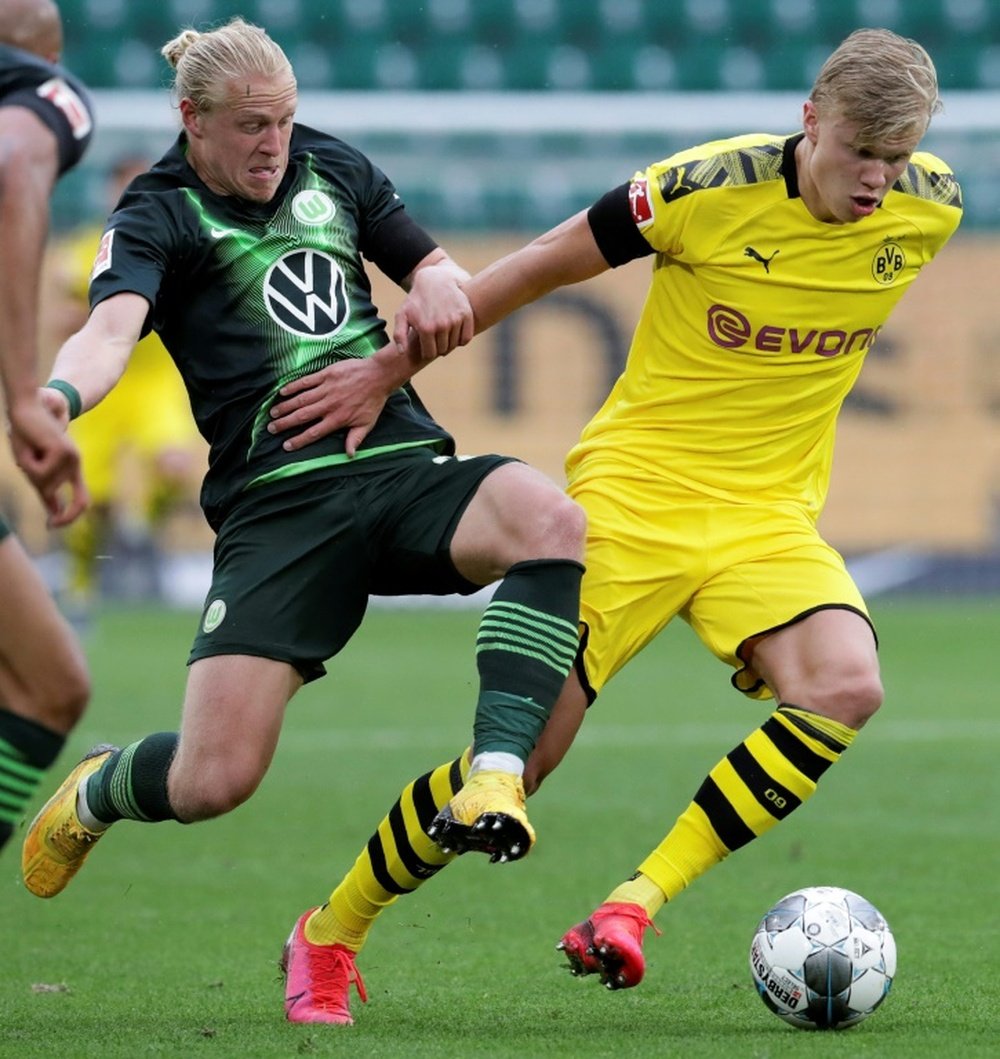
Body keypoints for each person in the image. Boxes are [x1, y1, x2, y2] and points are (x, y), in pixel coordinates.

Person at [258, 27, 963, 1021]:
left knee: (846, 684)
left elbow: (898, 193)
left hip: (766, 518)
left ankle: (632, 904)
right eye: (860, 154)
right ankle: (331, 929)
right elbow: (542, 264)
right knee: (519, 764)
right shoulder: (701, 188)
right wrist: (390, 367)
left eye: (896, 160)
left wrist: (895, 174)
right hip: (633, 500)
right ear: (811, 120)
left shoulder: (931, 210)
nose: (877, 182)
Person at [19, 15, 586, 1022]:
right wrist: (53, 406)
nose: (272, 143)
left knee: (549, 519)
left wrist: (440, 290)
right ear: (189, 118)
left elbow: (435, 267)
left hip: (399, 462)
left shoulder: (332, 167)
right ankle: (106, 788)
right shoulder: (157, 212)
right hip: (277, 512)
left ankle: (495, 772)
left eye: (281, 121)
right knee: (211, 782)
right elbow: (109, 335)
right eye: (248, 126)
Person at [0, 0, 94, 855]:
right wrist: (24, 395)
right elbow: (14, 163)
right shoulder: (41, 88)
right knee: (47, 683)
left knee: (44, 680)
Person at [45, 154, 206, 609]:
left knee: (175, 466)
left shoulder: (181, 241)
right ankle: (80, 588)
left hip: (154, 382)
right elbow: (60, 320)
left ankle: (142, 531)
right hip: (101, 381)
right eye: (125, 183)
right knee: (87, 497)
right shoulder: (82, 250)